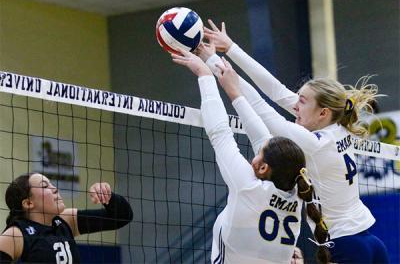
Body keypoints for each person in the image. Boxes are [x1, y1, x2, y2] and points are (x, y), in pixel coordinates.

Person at [202, 20, 390, 263]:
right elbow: (276, 90)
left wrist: (213, 65)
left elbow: (260, 107)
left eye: (302, 102)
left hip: (346, 246)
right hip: (370, 241)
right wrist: (230, 49)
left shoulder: (315, 143)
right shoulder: (338, 127)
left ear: (322, 113)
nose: (295, 106)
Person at [171, 49, 330, 263]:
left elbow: (220, 133)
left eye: (259, 154)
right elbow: (262, 139)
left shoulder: (248, 186)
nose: (255, 154)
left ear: (264, 168)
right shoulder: (296, 193)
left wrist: (205, 76)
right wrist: (233, 92)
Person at [0, 173, 133, 263]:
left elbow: (122, 217)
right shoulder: (16, 234)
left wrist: (109, 197)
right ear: (29, 203)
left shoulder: (66, 220)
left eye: (51, 183)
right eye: (45, 186)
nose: (55, 189)